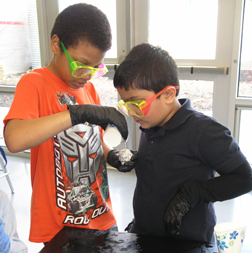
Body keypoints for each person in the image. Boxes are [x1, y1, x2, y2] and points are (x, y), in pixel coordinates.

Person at [3, 3, 137, 244]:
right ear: (56, 45)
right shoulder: (35, 83)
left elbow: (93, 142)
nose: (86, 75)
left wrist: (112, 157)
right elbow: (14, 139)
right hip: (61, 224)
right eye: (81, 64)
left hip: (101, 213)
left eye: (95, 68)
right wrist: (75, 114)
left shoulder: (89, 90)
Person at [113, 42, 252, 243]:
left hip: (187, 241)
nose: (132, 113)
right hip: (146, 234)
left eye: (137, 104)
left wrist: (192, 193)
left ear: (168, 94)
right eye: (126, 104)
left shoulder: (204, 131)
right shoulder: (150, 121)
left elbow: (245, 178)